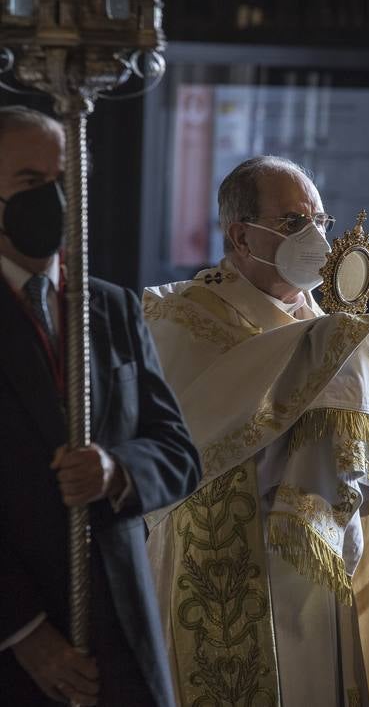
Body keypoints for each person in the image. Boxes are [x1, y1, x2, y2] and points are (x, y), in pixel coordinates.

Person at [143, 155, 369, 707]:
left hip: (322, 569)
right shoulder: (176, 317)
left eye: (320, 221)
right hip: (221, 562)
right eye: (294, 223)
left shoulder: (330, 329)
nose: (316, 237)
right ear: (242, 236)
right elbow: (180, 443)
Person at [0, 105, 202, 707]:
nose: (54, 200)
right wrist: (24, 632)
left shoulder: (109, 306)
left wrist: (117, 471)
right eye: (31, 184)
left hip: (121, 634)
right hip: (19, 645)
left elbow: (177, 452)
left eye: (64, 183)